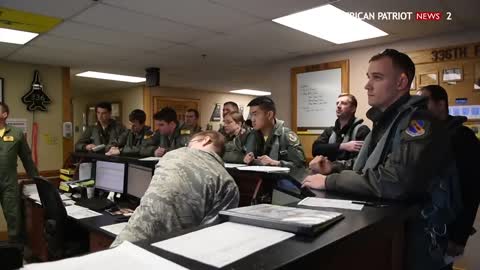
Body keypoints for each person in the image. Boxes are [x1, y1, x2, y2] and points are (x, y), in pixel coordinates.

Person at [302, 49, 452, 269]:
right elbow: (366, 166)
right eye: (368, 77)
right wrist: (332, 167)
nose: (367, 85)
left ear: (401, 81)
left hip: (413, 238)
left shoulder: (419, 123)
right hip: (384, 233)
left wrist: (329, 181)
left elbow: (395, 181)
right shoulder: (385, 122)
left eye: (377, 77)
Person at [111, 131, 239, 247]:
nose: (187, 146)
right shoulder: (228, 183)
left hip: (129, 243)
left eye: (190, 143)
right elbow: (209, 234)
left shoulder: (173, 155)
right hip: (176, 252)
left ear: (206, 140)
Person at [418, 85, 480, 261]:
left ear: (441, 104)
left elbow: (472, 188)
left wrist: (459, 237)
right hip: (423, 224)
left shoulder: (462, 137)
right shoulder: (424, 135)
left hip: (447, 227)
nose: (418, 108)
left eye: (424, 102)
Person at [0, 102, 38, 242]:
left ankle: (15, 252)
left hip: (9, 184)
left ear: (4, 114)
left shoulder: (16, 133)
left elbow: (27, 159)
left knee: (14, 218)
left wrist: (37, 181)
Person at [243, 96, 306, 179]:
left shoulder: (286, 136)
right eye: (251, 115)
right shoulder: (251, 135)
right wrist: (247, 160)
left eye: (255, 114)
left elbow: (300, 167)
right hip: (257, 184)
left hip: (281, 187)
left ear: (269, 115)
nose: (252, 119)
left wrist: (277, 163)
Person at [312, 93, 370, 169]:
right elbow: (316, 149)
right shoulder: (330, 131)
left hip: (349, 177)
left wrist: (332, 167)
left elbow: (360, 161)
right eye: (337, 103)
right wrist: (342, 146)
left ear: (353, 109)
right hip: (326, 173)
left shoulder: (362, 131)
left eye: (344, 103)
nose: (338, 106)